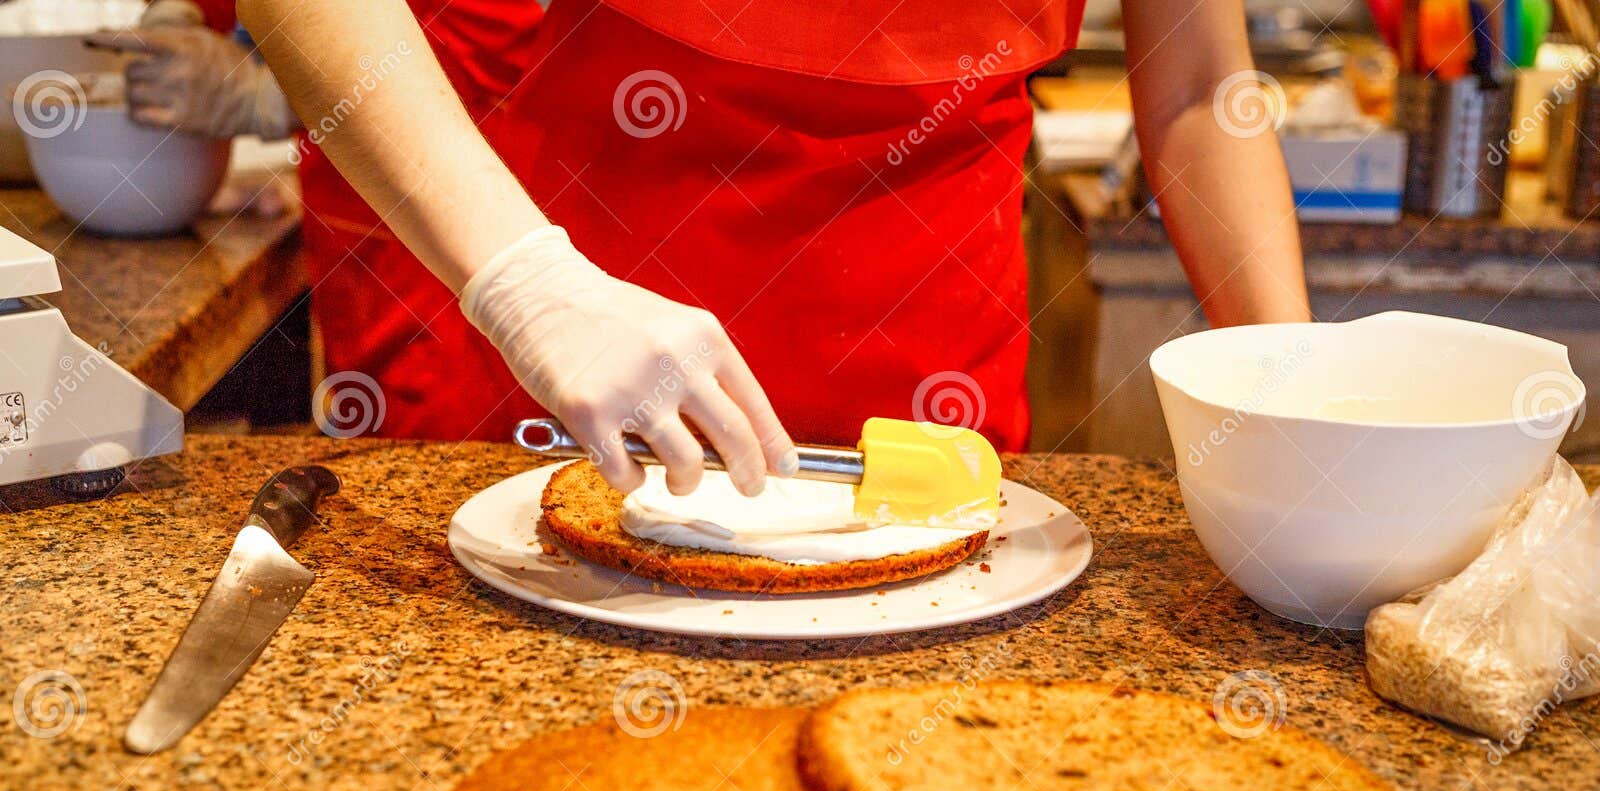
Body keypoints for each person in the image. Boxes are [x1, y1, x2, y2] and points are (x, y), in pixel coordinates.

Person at [121, 0, 1310, 498]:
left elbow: (1200, 84)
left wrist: (1304, 407)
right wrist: (528, 284)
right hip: (563, 362)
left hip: (921, 407)